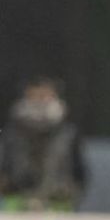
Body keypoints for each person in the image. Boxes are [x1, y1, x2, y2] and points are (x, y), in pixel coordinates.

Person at [0, 76, 86, 211]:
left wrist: (71, 190)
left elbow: (79, 170)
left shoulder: (68, 132)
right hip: (16, 200)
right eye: (34, 94)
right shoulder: (11, 132)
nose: (39, 99)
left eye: (44, 94)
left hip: (58, 202)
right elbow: (5, 165)